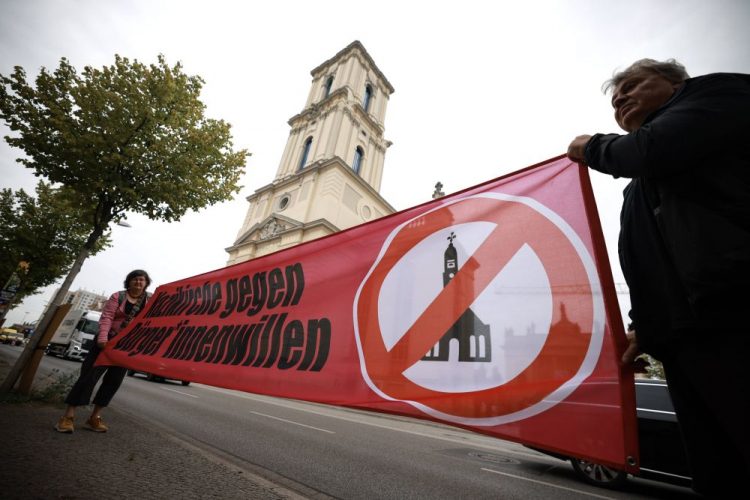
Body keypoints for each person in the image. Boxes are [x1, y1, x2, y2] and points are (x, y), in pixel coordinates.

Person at [567, 59, 750, 497]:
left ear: (674, 82)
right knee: (717, 471)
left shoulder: (716, 95)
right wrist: (641, 327)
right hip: (683, 336)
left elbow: (649, 149)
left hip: (735, 313)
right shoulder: (641, 182)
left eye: (632, 86)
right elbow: (648, 258)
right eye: (615, 100)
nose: (622, 99)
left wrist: (593, 147)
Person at [55, 270, 152, 433]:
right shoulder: (118, 296)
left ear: (146, 283)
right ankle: (68, 417)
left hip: (125, 347)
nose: (138, 282)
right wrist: (103, 338)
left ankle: (94, 418)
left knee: (113, 381)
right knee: (88, 377)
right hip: (105, 343)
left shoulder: (150, 300)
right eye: (134, 279)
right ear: (128, 282)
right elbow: (107, 317)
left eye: (142, 280)